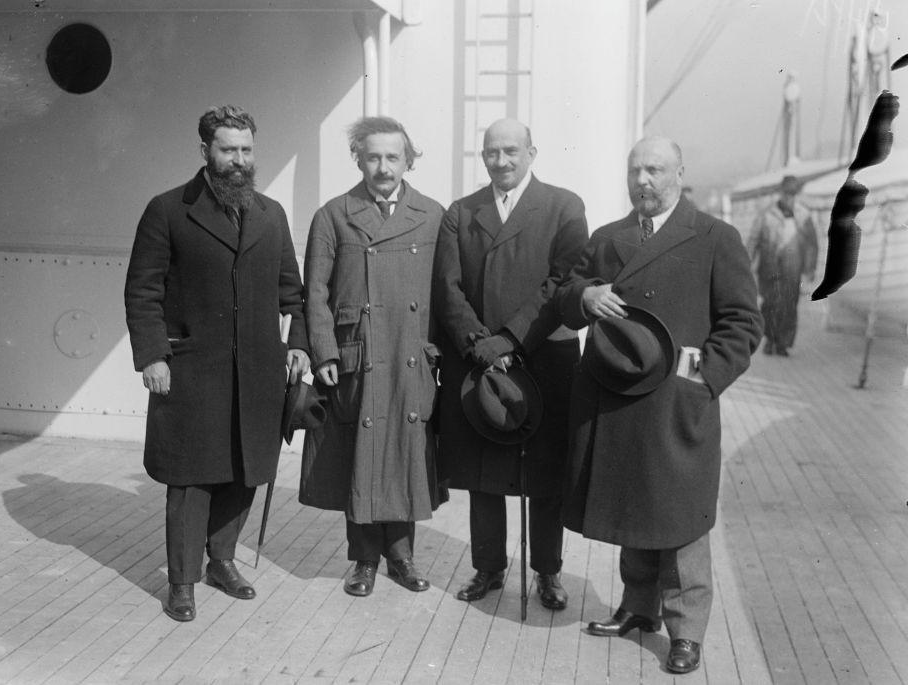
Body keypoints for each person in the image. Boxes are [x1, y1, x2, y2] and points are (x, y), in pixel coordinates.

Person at [555, 136, 762, 673]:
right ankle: (637, 608)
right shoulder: (608, 238)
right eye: (635, 170)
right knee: (633, 506)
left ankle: (687, 631)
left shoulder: (716, 237)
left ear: (678, 175)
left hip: (677, 403)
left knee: (680, 517)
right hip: (617, 396)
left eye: (654, 170)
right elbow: (567, 290)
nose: (642, 180)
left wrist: (699, 379)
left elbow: (743, 323)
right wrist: (584, 297)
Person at [124, 105, 310, 622]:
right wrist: (153, 355)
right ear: (204, 150)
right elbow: (143, 290)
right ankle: (181, 582)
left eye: (246, 150)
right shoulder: (167, 210)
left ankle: (221, 561)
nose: (239, 160)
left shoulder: (271, 214)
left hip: (257, 372)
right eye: (228, 149)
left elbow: (290, 292)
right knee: (190, 479)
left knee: (244, 469)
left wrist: (298, 343)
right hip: (191, 370)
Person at [433, 118, 588, 611]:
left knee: (544, 472)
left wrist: (511, 338)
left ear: (532, 153)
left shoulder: (564, 207)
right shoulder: (461, 212)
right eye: (491, 153)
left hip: (542, 356)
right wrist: (479, 342)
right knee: (486, 469)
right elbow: (447, 288)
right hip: (480, 359)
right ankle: (488, 567)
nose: (501, 161)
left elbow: (562, 282)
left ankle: (547, 572)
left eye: (511, 151)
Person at [300, 116, 446, 597]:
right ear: (358, 159)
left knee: (405, 451)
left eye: (393, 157)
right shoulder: (333, 215)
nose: (383, 167)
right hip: (356, 354)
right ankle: (363, 559)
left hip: (409, 351)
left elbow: (447, 291)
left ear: (408, 160)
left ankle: (401, 557)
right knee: (360, 454)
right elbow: (314, 292)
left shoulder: (432, 215)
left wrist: (438, 351)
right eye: (373, 156)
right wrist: (323, 350)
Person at [746, 174, 817, 356]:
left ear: (797, 194)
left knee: (789, 305)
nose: (789, 197)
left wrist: (810, 269)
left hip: (793, 269)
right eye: (786, 193)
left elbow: (811, 244)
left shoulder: (804, 216)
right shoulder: (766, 214)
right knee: (770, 303)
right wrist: (746, 263)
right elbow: (753, 239)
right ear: (780, 193)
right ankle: (770, 340)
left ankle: (783, 343)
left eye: (793, 194)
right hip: (769, 268)